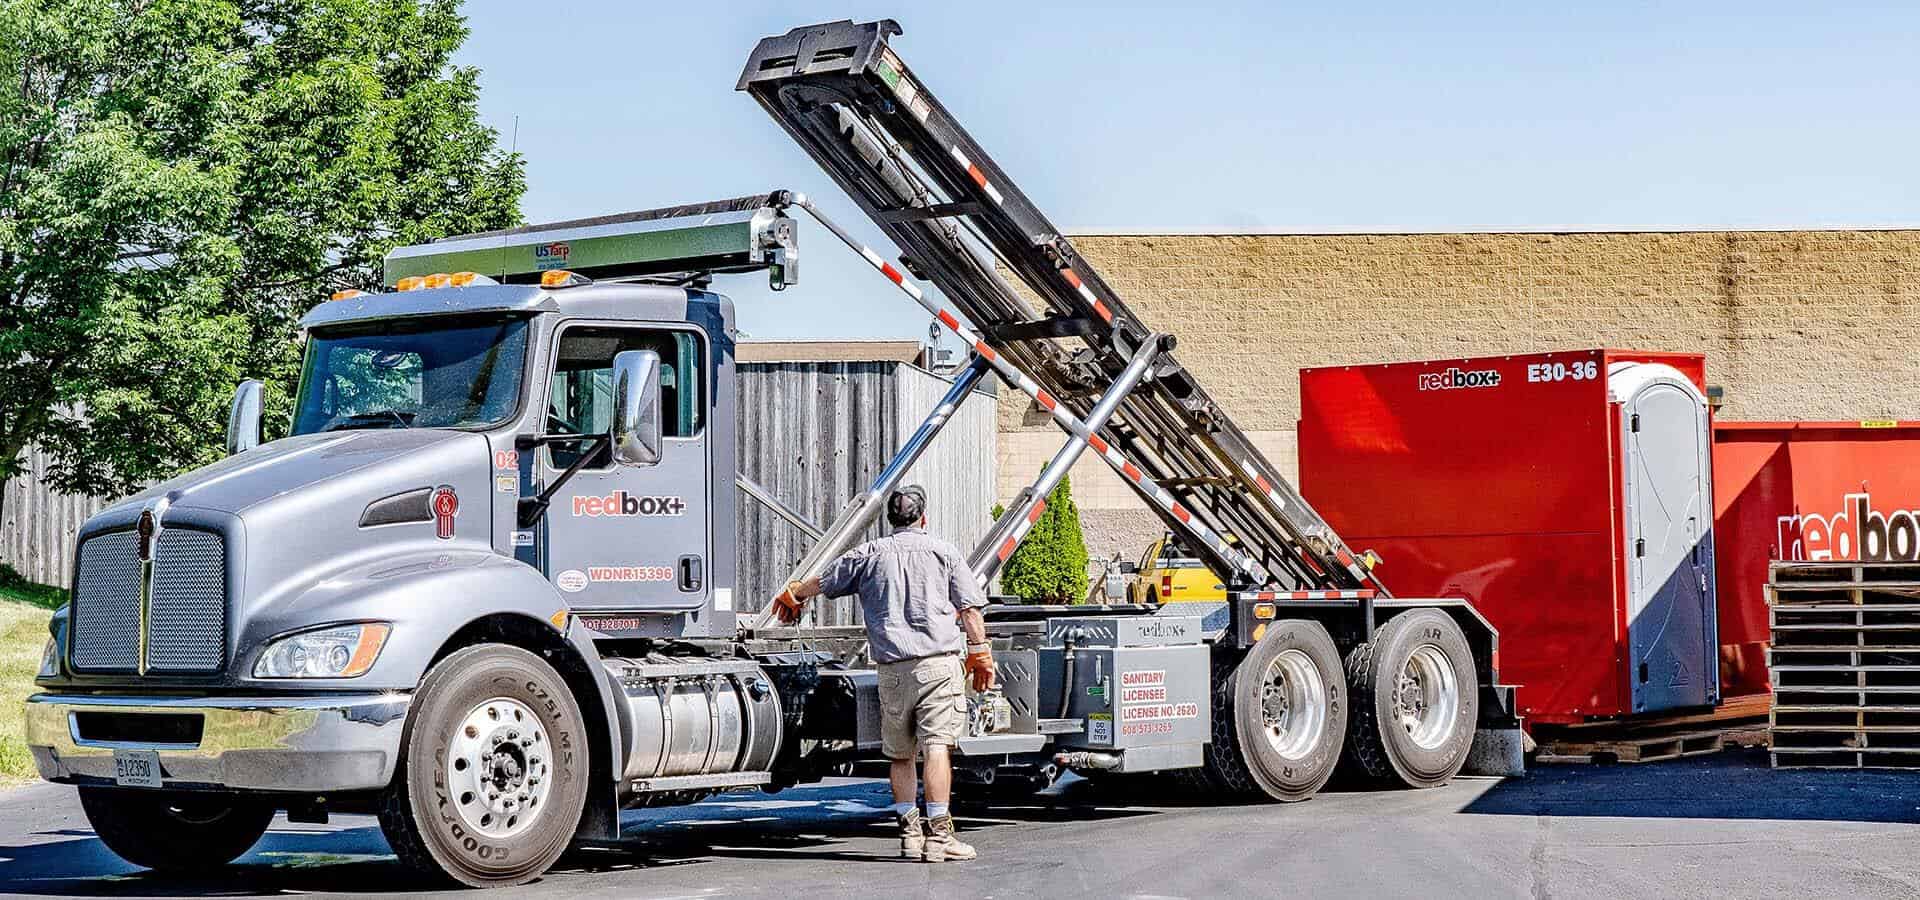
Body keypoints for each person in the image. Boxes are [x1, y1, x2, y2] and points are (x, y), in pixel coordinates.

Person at [770, 485, 996, 863]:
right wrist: (980, 653)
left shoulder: (869, 554)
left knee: (900, 755)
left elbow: (824, 580)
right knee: (936, 747)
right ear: (923, 517)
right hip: (937, 667)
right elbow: (970, 610)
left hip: (891, 671)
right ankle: (940, 837)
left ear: (890, 519)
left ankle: (909, 834)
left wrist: (796, 593)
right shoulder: (944, 553)